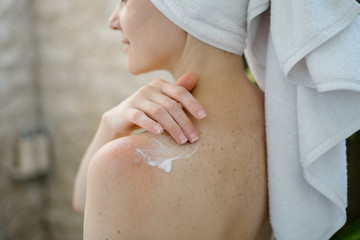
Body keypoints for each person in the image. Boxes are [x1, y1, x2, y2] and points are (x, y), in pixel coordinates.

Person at [73, 0, 271, 239]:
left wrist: (111, 151)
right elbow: (83, 202)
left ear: (185, 6)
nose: (113, 21)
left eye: (125, 1)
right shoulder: (280, 121)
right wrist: (110, 124)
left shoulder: (123, 163)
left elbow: (85, 204)